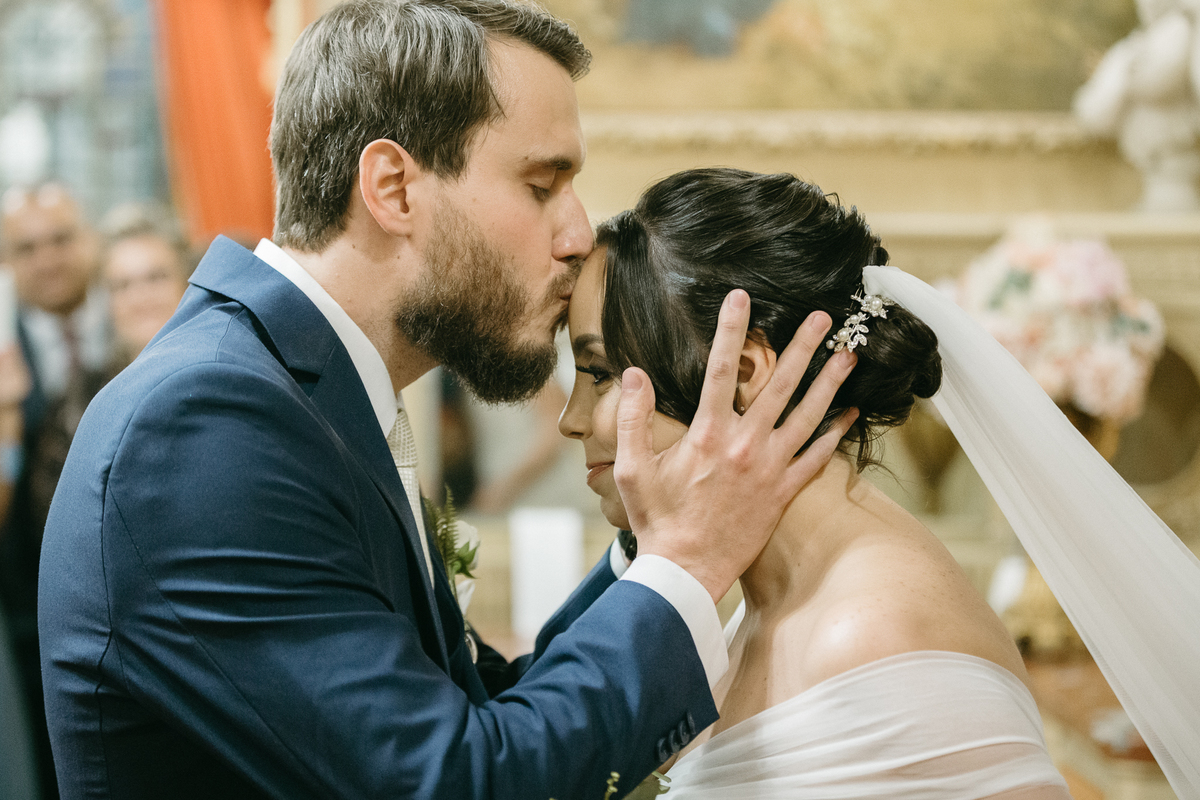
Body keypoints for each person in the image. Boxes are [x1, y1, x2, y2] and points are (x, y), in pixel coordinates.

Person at [37, 3, 857, 799]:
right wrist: (690, 561)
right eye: (542, 185)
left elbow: (478, 710)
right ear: (394, 188)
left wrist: (659, 541)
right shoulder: (207, 428)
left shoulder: (303, 397)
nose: (578, 235)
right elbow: (460, 781)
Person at [561, 167, 1200, 798]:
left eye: (598, 373)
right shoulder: (753, 615)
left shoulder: (872, 634)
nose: (570, 419)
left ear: (745, 372)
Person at [1, 181, 112, 800]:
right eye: (27, 247)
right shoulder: (4, 354)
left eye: (62, 239)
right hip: (29, 618)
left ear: (89, 240)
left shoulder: (138, 316)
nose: (48, 259)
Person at [98, 203, 193, 367]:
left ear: (186, 283)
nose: (140, 296)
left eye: (156, 278)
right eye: (123, 285)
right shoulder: (88, 382)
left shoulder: (228, 372)